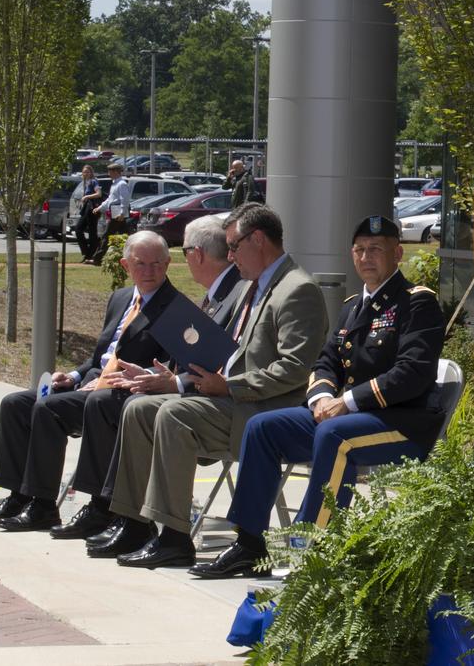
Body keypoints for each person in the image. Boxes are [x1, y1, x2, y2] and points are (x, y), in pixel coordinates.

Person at [189, 215, 445, 578]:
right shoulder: (354, 305)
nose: (366, 257)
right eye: (359, 250)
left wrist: (346, 402)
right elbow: (326, 363)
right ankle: (249, 545)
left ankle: (311, 552)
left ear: (398, 253)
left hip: (404, 423)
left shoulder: (417, 303)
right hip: (346, 417)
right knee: (263, 428)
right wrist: (321, 399)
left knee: (334, 436)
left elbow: (411, 374)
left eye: (376, 249)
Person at [99, 203, 328, 569]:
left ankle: (174, 538)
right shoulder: (256, 285)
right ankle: (135, 523)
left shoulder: (297, 290)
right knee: (140, 408)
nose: (230, 256)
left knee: (175, 415)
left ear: (258, 240)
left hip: (263, 411)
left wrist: (229, 387)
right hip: (228, 401)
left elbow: (295, 370)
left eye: (234, 246)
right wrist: (183, 378)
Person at [0, 232, 182, 532]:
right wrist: (72, 375)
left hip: (124, 389)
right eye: (141, 264)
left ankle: (47, 505)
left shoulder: (175, 307)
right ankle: (19, 495)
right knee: (16, 404)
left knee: (48, 409)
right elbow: (102, 355)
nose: (149, 271)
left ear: (168, 264)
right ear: (125, 265)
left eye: (157, 264)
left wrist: (119, 380)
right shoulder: (121, 297)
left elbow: (169, 369)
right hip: (91, 382)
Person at [80, 216, 248, 551]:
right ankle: (132, 521)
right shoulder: (217, 295)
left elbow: (225, 364)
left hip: (228, 406)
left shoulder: (235, 293)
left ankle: (157, 528)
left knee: (137, 408)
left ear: (195, 255)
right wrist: (165, 380)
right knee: (135, 406)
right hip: (195, 394)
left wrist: (173, 383)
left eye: (181, 252)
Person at [92, 163, 131, 265]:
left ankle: (97, 259)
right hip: (115, 211)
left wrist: (122, 213)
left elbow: (124, 199)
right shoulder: (115, 184)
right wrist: (100, 208)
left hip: (118, 213)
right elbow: (110, 200)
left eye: (110, 171)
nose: (108, 173)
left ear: (115, 172)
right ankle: (129, 256)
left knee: (107, 235)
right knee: (125, 236)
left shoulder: (121, 184)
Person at [76, 164, 103, 262]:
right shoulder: (85, 182)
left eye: (87, 172)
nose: (85, 173)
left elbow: (99, 193)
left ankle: (90, 254)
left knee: (92, 232)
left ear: (91, 172)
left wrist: (87, 197)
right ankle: (87, 252)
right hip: (86, 208)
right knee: (79, 229)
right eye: (84, 172)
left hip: (91, 209)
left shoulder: (93, 181)